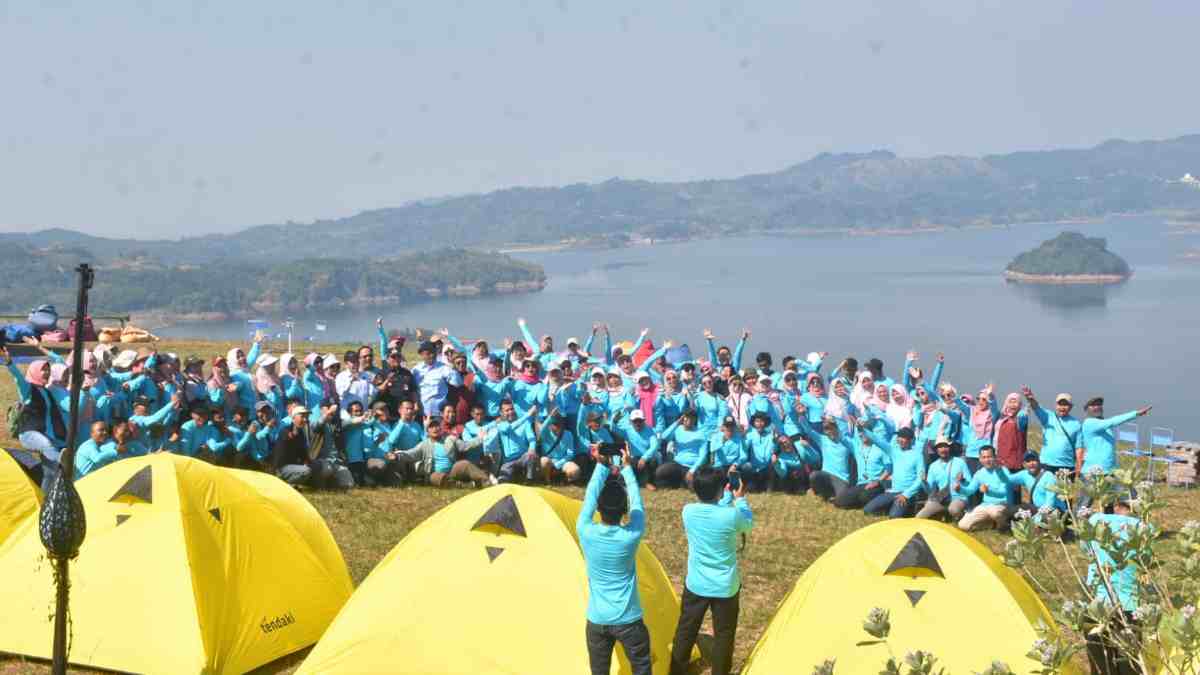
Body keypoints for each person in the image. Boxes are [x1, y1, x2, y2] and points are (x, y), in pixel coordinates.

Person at [669, 467, 753, 675]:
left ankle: (677, 670)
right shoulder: (732, 516)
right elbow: (747, 524)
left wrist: (723, 496)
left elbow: (713, 509)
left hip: (697, 584)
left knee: (686, 631)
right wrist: (740, 498)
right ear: (721, 490)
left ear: (696, 490)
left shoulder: (688, 511)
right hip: (725, 587)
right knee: (724, 635)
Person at [577, 448, 651, 675]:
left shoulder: (585, 531)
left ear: (598, 508)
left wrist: (600, 465)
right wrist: (628, 468)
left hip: (596, 620)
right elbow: (637, 504)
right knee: (641, 668)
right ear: (624, 510)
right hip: (629, 620)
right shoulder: (631, 535)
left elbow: (589, 496)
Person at [1083, 496, 1142, 675]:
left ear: (1116, 505)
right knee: (1129, 660)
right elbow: (1146, 561)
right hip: (1130, 604)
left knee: (1101, 662)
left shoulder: (1094, 520)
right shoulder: (1144, 528)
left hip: (1097, 601)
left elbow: (1086, 549)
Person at [1080, 397, 1152, 477]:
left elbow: (1108, 447)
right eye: (1093, 406)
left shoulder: (1103, 424)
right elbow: (1112, 421)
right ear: (1086, 410)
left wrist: (1116, 467)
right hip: (1094, 471)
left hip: (1109, 469)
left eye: (1099, 405)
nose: (1097, 407)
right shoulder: (1089, 423)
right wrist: (1135, 414)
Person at [1024, 388, 1083, 477]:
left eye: (1066, 405)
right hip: (1046, 465)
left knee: (1064, 491)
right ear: (1056, 405)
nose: (1062, 407)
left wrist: (1079, 465)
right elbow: (1036, 407)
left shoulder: (1076, 424)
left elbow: (1079, 448)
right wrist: (1030, 398)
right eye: (1060, 404)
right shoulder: (1048, 416)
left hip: (1067, 466)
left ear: (1071, 407)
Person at [956, 445, 1014, 532]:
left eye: (989, 457)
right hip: (985, 505)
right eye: (984, 457)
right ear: (980, 459)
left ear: (995, 457)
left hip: (1002, 504)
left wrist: (988, 491)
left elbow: (1004, 493)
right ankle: (990, 524)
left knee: (995, 513)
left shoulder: (1003, 471)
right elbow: (970, 491)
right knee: (962, 525)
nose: (987, 460)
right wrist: (960, 488)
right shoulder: (979, 474)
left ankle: (1004, 526)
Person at [915, 438, 971, 521]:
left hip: (958, 497)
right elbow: (929, 490)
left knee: (954, 510)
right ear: (936, 450)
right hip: (941, 498)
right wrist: (924, 482)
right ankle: (943, 513)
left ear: (950, 448)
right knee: (920, 517)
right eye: (940, 447)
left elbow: (970, 483)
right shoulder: (933, 466)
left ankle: (962, 516)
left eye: (945, 447)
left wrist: (962, 480)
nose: (943, 450)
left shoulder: (960, 462)